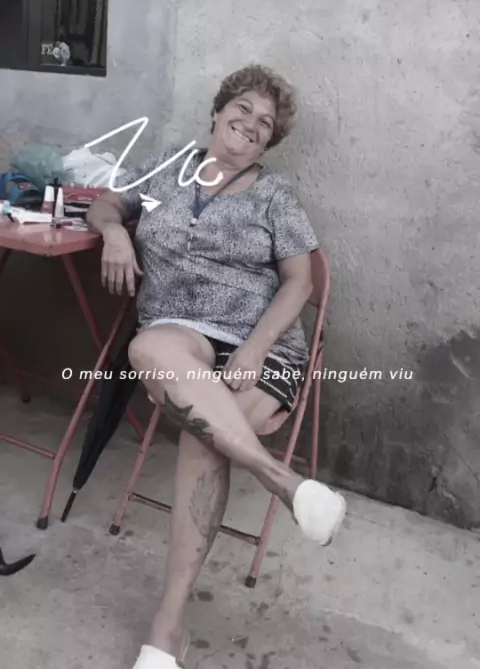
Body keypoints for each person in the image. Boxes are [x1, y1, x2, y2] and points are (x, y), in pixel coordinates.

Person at [87, 64, 346, 669]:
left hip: (261, 346)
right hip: (179, 336)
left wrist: (254, 348)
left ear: (269, 142)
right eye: (244, 108)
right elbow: (105, 203)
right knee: (146, 349)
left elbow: (300, 281)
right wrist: (115, 234)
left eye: (266, 124)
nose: (252, 124)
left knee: (204, 435)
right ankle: (283, 483)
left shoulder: (275, 196)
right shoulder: (169, 167)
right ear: (218, 111)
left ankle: (168, 629)